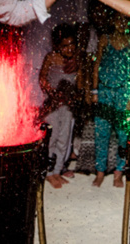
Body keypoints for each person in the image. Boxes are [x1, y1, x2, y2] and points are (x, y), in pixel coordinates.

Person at [89, 14, 130, 188]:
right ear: (113, 21)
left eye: (126, 20)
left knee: (123, 135)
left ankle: (119, 172)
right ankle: (100, 172)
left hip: (123, 92)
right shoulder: (105, 39)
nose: (122, 23)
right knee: (101, 132)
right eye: (119, 19)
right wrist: (94, 91)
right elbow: (97, 64)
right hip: (105, 91)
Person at [40, 23, 81, 188]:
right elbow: (42, 78)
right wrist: (52, 92)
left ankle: (57, 170)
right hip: (52, 106)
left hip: (67, 107)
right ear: (57, 46)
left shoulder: (76, 61)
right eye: (65, 46)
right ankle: (49, 172)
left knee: (64, 138)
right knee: (52, 138)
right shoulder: (51, 57)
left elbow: (78, 83)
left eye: (72, 44)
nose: (69, 49)